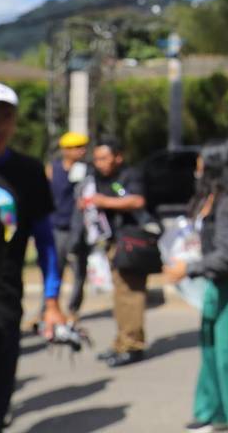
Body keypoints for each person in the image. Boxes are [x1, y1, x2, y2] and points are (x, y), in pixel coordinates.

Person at [165, 143, 228, 433]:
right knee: (212, 349)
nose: (196, 170)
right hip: (216, 282)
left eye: (200, 164)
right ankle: (214, 413)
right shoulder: (213, 197)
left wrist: (188, 269)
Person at [0, 82, 67, 433]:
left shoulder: (29, 172)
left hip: (5, 300)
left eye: (5, 117)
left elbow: (46, 242)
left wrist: (51, 300)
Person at [83, 138, 150, 367]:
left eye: (105, 158)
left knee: (130, 294)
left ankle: (132, 345)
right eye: (97, 158)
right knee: (119, 295)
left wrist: (104, 201)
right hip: (113, 243)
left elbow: (137, 200)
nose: (100, 163)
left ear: (118, 157)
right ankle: (121, 341)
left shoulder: (130, 175)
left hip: (132, 243)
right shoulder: (97, 177)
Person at [48, 131, 90, 320]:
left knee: (79, 273)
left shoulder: (87, 171)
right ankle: (49, 308)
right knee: (53, 270)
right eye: (77, 147)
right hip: (56, 228)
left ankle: (73, 309)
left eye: (83, 147)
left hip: (79, 230)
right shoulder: (52, 169)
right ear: (66, 150)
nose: (81, 151)